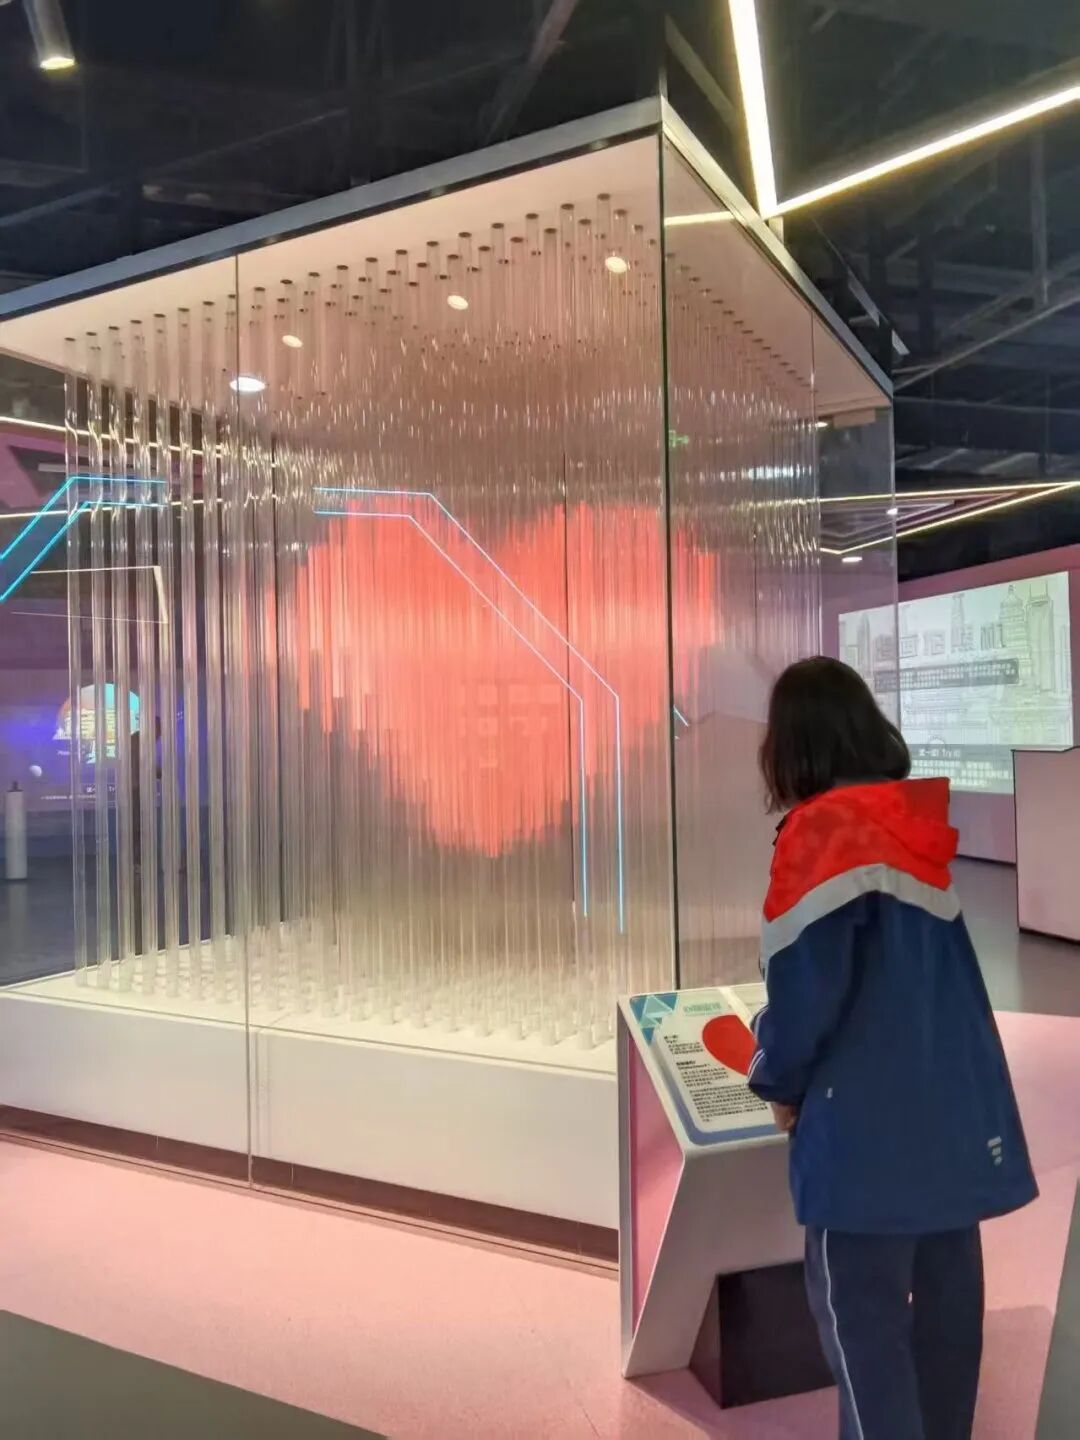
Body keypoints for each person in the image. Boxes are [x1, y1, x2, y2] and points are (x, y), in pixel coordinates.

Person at [748, 656, 1037, 1440]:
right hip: (950, 1129)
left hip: (862, 1145)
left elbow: (804, 999)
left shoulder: (819, 835)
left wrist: (774, 1077)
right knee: (947, 1333)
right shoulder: (913, 827)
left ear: (794, 742)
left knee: (863, 1337)